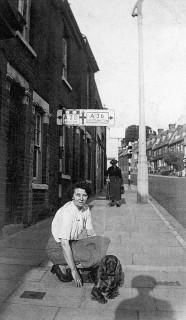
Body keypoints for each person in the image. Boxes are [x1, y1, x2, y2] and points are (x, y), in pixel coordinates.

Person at [46, 181, 110, 287]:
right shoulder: (67, 213)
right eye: (78, 195)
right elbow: (64, 244)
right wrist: (74, 271)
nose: (81, 198)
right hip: (56, 248)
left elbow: (90, 232)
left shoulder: (85, 208)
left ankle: (80, 263)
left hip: (72, 243)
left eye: (84, 195)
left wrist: (96, 246)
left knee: (101, 245)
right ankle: (63, 266)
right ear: (72, 196)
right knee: (92, 256)